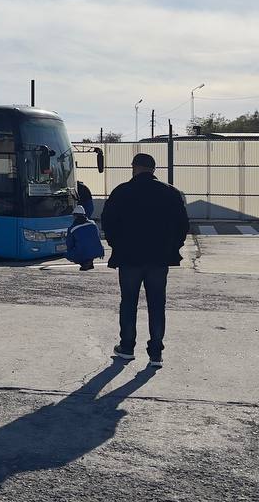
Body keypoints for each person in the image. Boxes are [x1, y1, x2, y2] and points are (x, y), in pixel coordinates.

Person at [100, 152, 189, 369]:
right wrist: (172, 248)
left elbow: (108, 222)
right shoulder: (171, 193)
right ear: (154, 169)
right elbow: (182, 226)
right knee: (157, 304)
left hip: (129, 258)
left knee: (128, 302)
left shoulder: (122, 192)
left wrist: (117, 246)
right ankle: (155, 353)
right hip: (159, 259)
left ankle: (127, 348)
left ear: (134, 167)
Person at [65, 206, 104, 271]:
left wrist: (70, 252)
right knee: (88, 247)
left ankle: (84, 263)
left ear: (75, 216)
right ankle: (89, 261)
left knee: (68, 254)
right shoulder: (93, 224)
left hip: (83, 251)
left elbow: (69, 244)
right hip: (98, 251)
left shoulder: (72, 228)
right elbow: (98, 237)